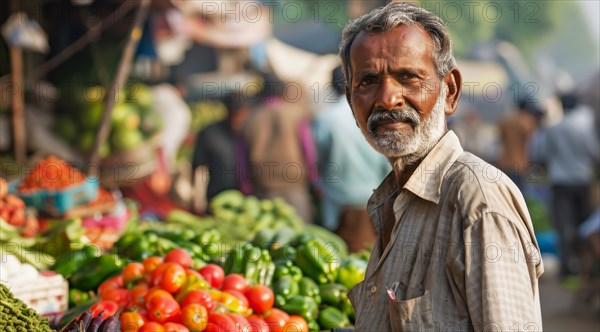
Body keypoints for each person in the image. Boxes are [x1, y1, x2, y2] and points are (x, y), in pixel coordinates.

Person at [337, 3, 543, 331]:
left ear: (450, 91)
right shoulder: (391, 200)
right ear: (351, 102)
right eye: (368, 81)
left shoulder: (477, 199)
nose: (387, 98)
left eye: (408, 77)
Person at [312, 65, 391, 252]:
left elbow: (316, 160)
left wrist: (319, 185)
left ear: (332, 86)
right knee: (367, 258)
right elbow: (388, 162)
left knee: (336, 260)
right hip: (372, 199)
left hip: (336, 201)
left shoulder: (326, 119)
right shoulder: (376, 116)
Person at [536, 92, 599, 278]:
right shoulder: (584, 128)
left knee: (564, 224)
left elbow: (543, 154)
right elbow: (594, 153)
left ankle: (567, 268)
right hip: (582, 179)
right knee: (584, 224)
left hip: (560, 181)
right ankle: (584, 267)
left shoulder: (553, 129)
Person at [241, 72, 317, 223]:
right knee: (301, 233)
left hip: (264, 187)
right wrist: (314, 178)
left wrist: (246, 186)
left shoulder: (250, 119)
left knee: (269, 235)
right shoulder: (295, 114)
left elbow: (242, 157)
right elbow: (308, 149)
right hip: (294, 185)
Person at [191, 92, 251, 214]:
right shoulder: (210, 133)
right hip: (215, 200)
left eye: (242, 114)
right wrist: (198, 197)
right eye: (235, 114)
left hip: (247, 203)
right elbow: (200, 168)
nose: (238, 119)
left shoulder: (251, 133)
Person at [497, 99, 544, 191]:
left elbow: (501, 139)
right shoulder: (527, 121)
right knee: (519, 193)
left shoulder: (506, 121)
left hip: (504, 162)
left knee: (506, 192)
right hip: (520, 164)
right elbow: (534, 143)